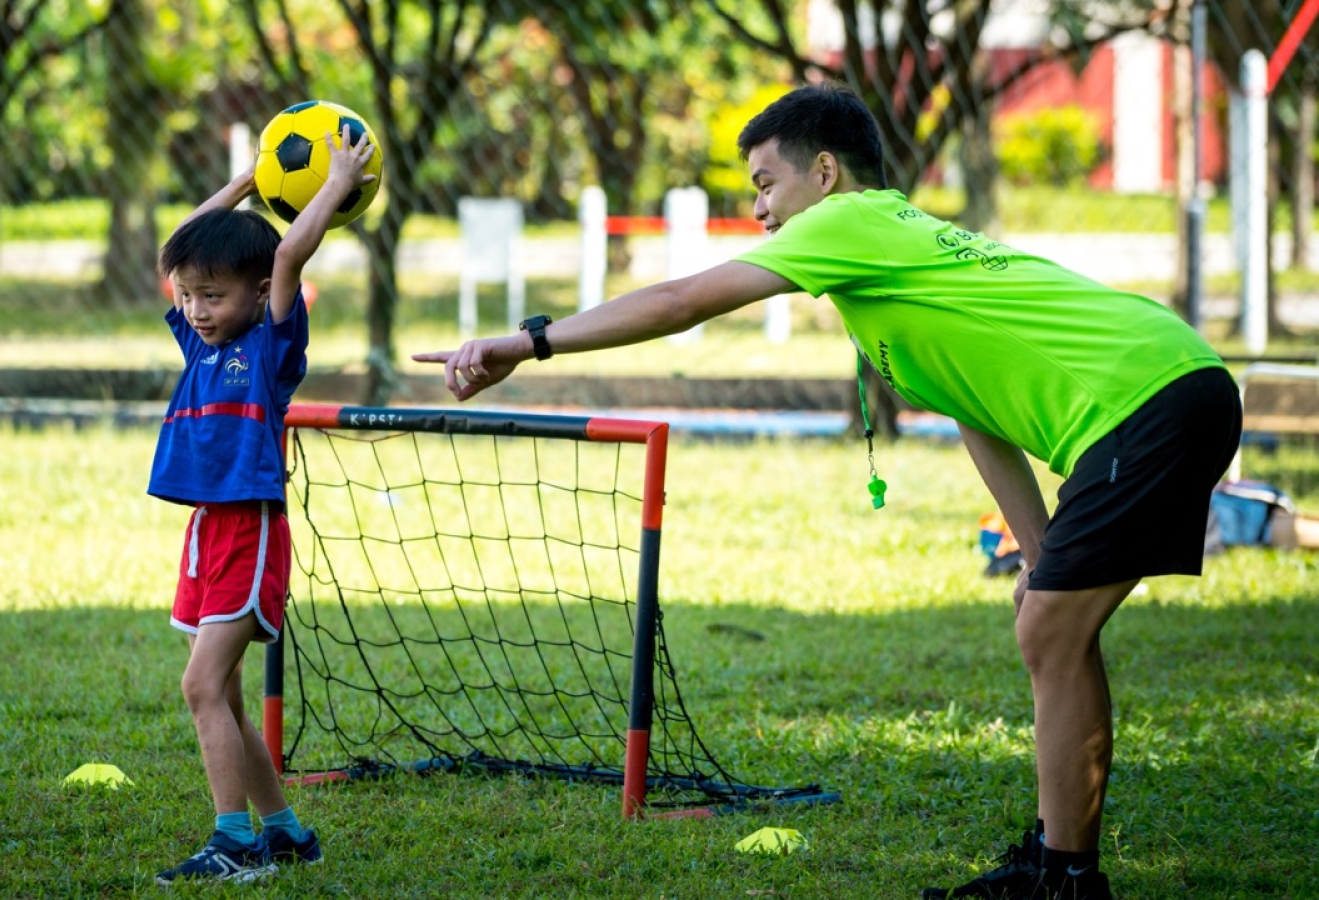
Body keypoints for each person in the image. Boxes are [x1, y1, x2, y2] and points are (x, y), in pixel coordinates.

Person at [413, 82, 1241, 900]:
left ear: (825, 172)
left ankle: (1064, 880)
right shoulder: (893, 246)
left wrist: (530, 342)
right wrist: (1036, 543)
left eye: (766, 185)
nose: (760, 213)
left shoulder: (850, 222)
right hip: (1172, 384)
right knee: (1048, 626)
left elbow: (682, 300)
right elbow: (974, 413)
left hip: (1150, 400)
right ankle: (1059, 862)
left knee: (1052, 635)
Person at [148, 125, 376, 885]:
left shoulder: (270, 348)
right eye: (191, 296)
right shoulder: (199, 344)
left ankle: (234, 841)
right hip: (206, 530)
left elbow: (286, 256)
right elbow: (171, 252)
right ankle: (284, 831)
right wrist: (244, 185)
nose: (199, 308)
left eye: (214, 295)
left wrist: (336, 184)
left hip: (251, 529)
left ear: (253, 296)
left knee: (201, 687)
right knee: (226, 694)